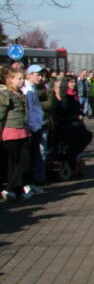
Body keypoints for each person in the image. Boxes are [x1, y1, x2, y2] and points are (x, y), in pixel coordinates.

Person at [0, 66, 32, 201]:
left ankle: (14, 189)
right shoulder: (6, 94)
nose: (22, 81)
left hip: (23, 131)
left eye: (23, 78)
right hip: (11, 132)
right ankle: (12, 189)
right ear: (11, 79)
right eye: (19, 78)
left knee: (24, 161)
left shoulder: (20, 94)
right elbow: (1, 114)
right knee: (13, 163)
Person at [23, 65, 49, 191]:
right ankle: (29, 184)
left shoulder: (33, 88)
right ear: (29, 75)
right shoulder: (27, 89)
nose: (40, 77)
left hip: (38, 126)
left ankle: (33, 183)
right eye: (37, 75)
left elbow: (36, 109)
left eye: (41, 75)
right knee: (31, 157)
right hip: (32, 128)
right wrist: (33, 126)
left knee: (36, 155)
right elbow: (28, 111)